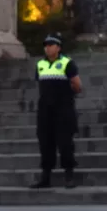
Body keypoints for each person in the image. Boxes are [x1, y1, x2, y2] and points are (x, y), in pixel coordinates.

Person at [31, 34, 81, 189]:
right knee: (45, 143)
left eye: (51, 45)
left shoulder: (67, 63)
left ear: (58, 47)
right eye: (46, 45)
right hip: (45, 110)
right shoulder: (40, 65)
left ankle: (69, 176)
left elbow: (77, 85)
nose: (48, 48)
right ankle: (45, 177)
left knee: (65, 143)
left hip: (63, 109)